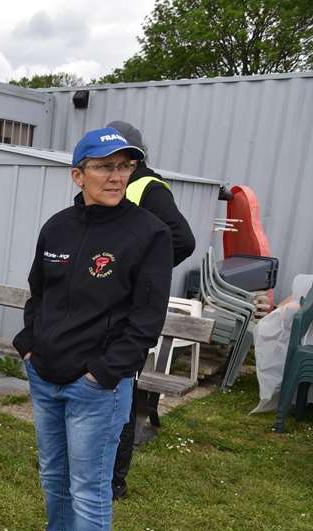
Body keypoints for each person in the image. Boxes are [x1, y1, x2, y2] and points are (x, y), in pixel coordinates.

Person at [7, 128, 172, 531]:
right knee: (54, 474)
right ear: (78, 174)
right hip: (46, 374)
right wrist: (29, 345)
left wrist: (104, 373)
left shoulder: (148, 232)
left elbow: (147, 318)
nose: (116, 175)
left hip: (96, 387)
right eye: (104, 166)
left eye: (124, 166)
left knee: (90, 487)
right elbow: (38, 292)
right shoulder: (57, 226)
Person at [105, 120, 196, 500]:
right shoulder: (119, 187)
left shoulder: (148, 187)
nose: (112, 168)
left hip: (129, 311)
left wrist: (141, 275)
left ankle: (115, 481)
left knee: (121, 391)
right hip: (108, 306)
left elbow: (182, 240)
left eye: (119, 159)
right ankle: (96, 470)